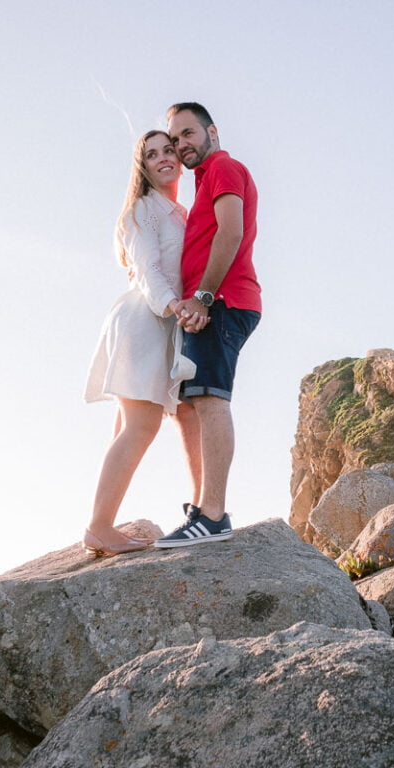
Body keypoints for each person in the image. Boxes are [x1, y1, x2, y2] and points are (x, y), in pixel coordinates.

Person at [153, 102, 261, 548]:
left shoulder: (223, 167)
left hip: (223, 301)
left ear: (211, 131)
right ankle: (204, 506)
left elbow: (230, 233)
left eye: (187, 134)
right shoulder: (203, 181)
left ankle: (213, 514)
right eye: (175, 139)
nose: (181, 145)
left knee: (211, 399)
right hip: (212, 303)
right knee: (193, 403)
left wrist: (202, 297)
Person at [82, 130, 195, 556]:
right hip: (145, 319)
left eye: (169, 150)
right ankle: (98, 527)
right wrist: (177, 306)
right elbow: (148, 270)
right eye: (152, 154)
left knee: (127, 429)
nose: (164, 158)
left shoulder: (177, 211)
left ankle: (103, 523)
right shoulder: (144, 210)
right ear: (142, 166)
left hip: (156, 322)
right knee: (140, 427)